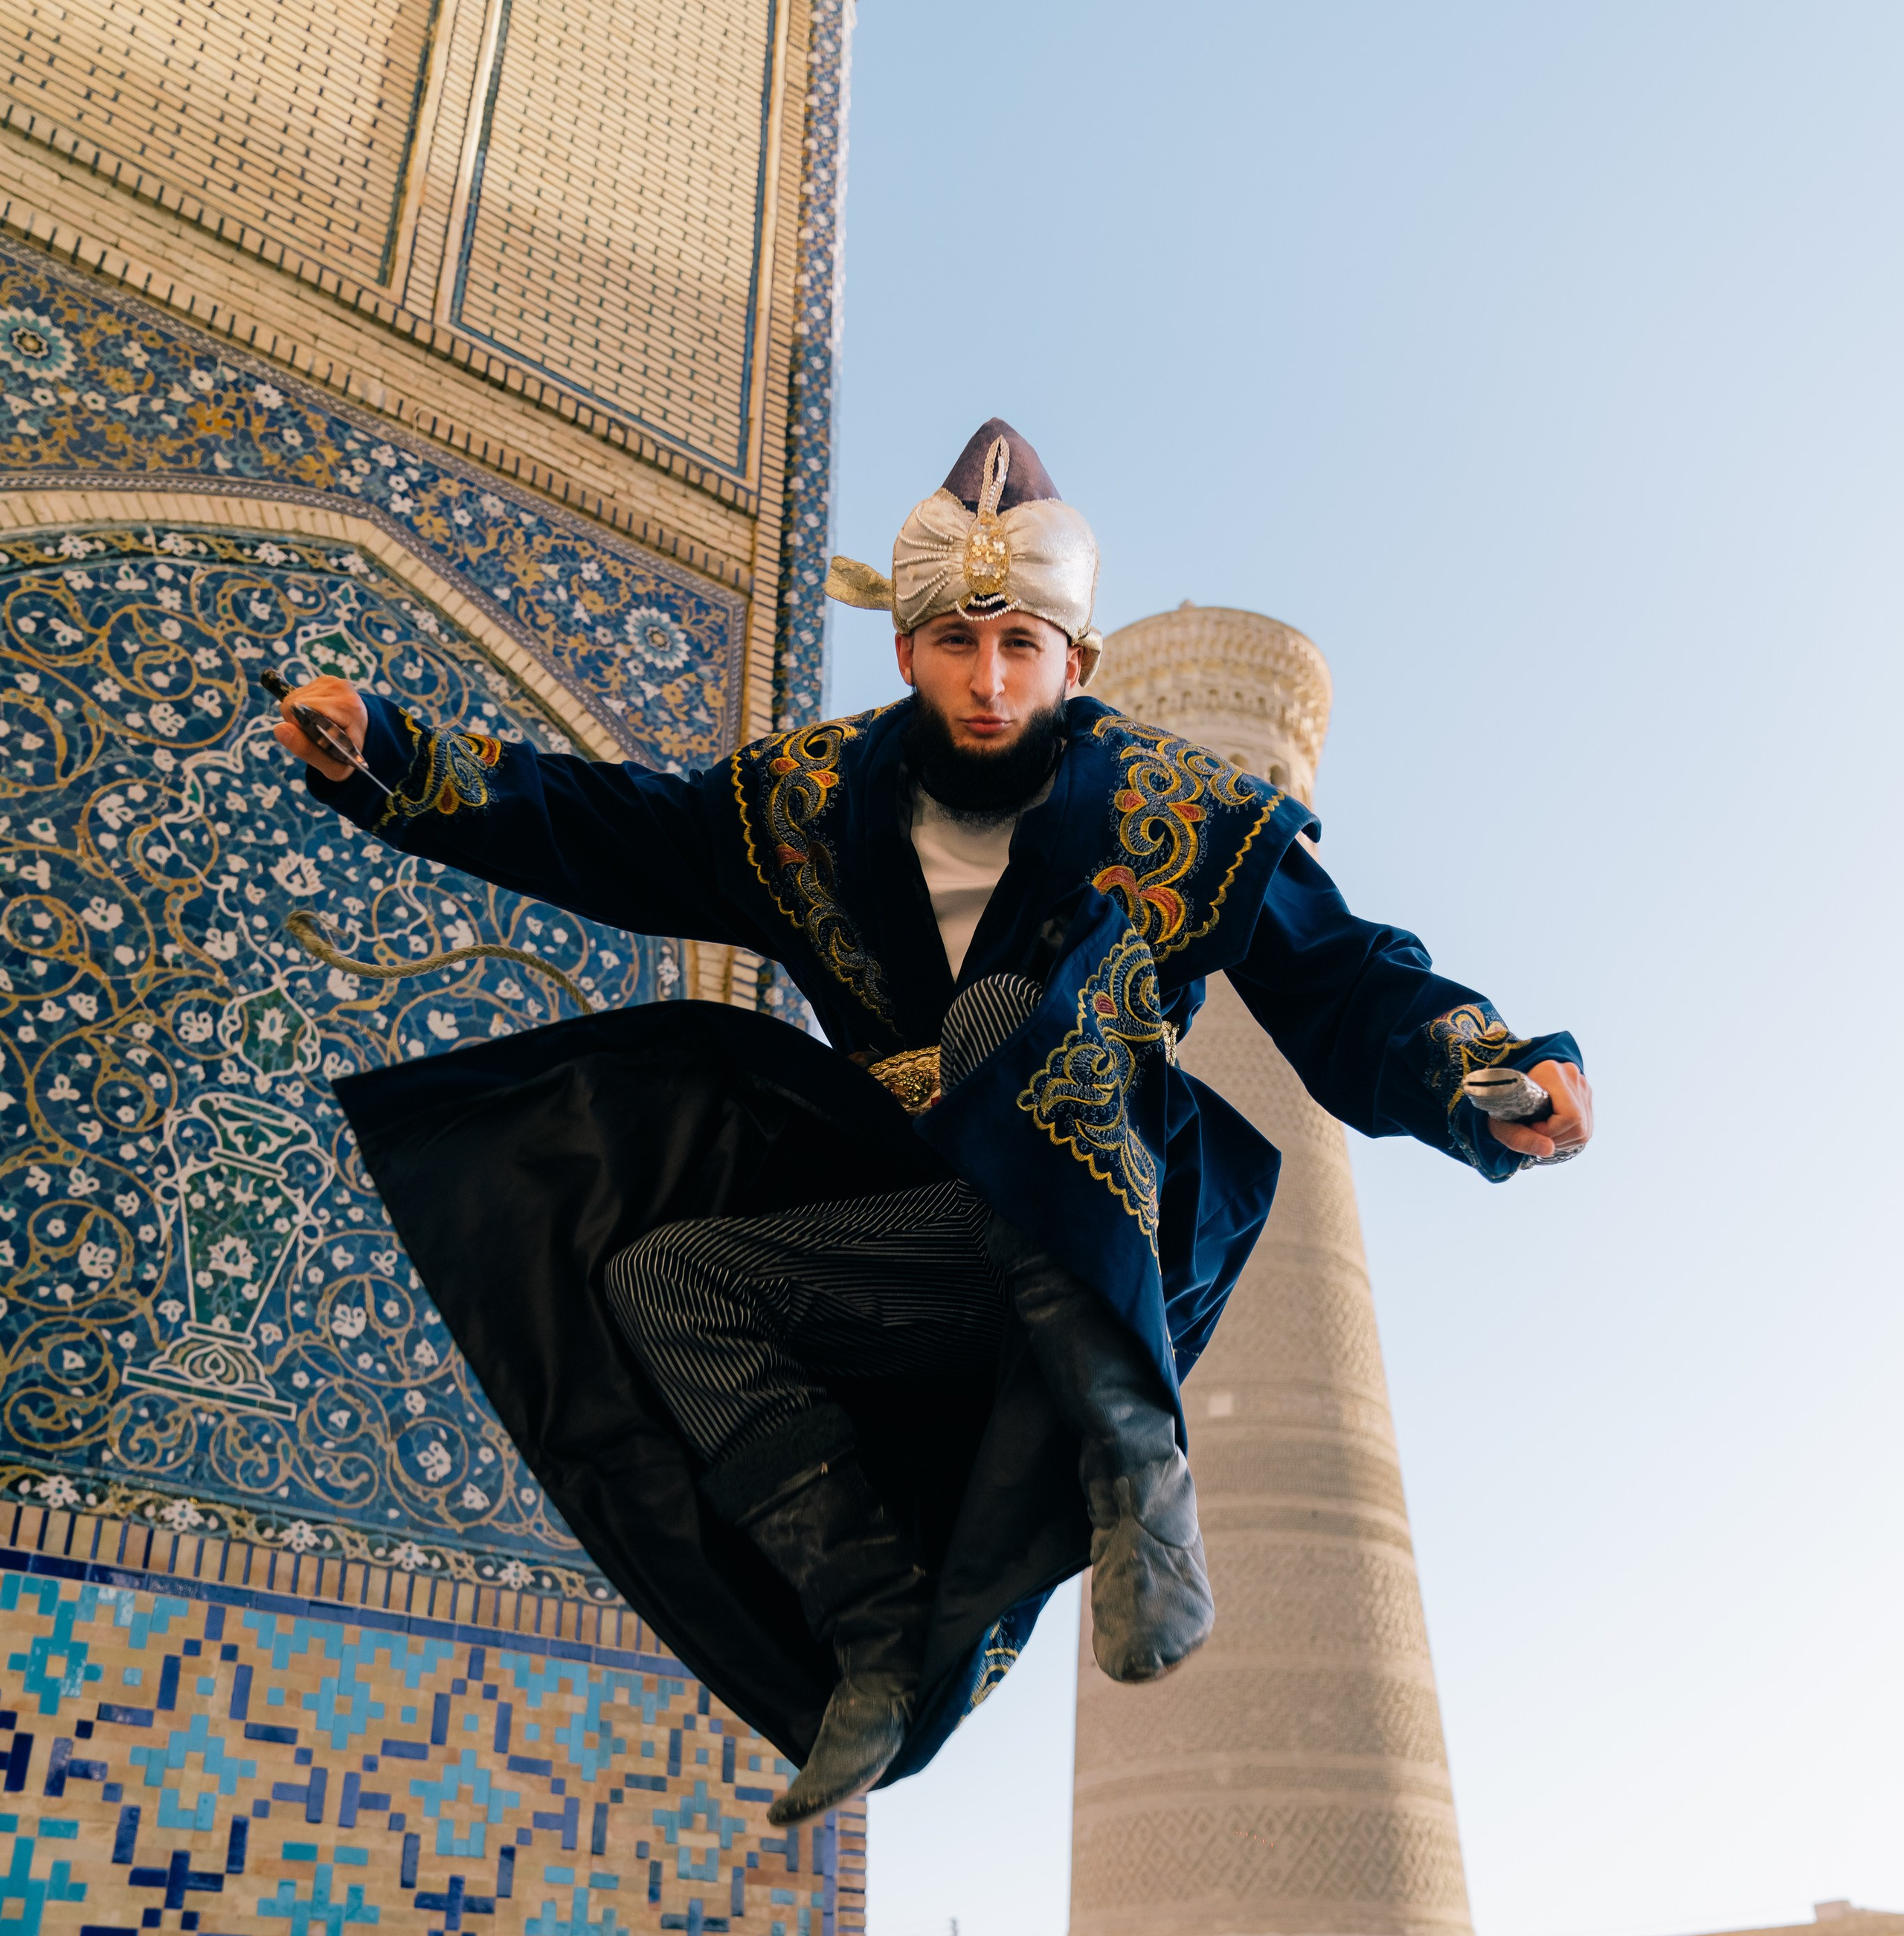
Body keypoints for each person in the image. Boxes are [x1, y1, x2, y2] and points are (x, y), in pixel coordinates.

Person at [277, 421, 1591, 1827]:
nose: (988, 681)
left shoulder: (1178, 809)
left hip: (1116, 1217)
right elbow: (610, 827)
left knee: (1012, 1017)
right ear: (905, 649)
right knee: (666, 1281)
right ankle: (876, 1637)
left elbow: (1345, 979)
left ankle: (1140, 1479)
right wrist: (390, 759)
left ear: (1071, 664)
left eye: (1020, 648)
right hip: (937, 1223)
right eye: (958, 646)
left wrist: (1487, 1074)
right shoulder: (802, 806)